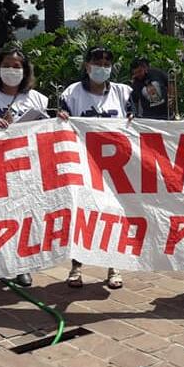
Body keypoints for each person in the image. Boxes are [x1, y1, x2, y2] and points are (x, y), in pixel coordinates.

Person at [0, 48, 49, 287]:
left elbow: (45, 130)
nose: (12, 70)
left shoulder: (38, 99)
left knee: (21, 217)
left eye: (17, 66)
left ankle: (20, 266)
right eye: (7, 65)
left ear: (25, 71)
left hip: (25, 168)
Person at [58, 46, 134, 289]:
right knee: (81, 214)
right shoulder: (72, 93)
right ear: (87, 65)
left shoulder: (124, 93)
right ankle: (77, 266)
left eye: (106, 62)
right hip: (81, 164)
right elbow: (61, 122)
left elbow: (139, 118)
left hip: (115, 167)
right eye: (96, 61)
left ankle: (114, 266)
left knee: (115, 215)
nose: (101, 66)